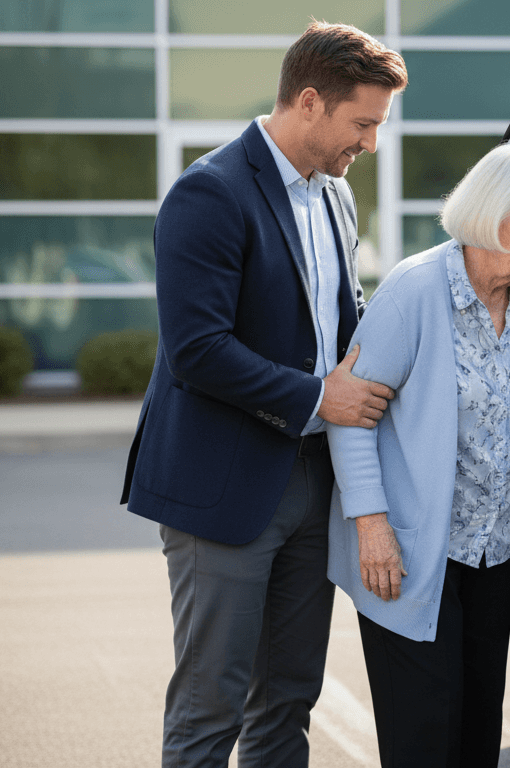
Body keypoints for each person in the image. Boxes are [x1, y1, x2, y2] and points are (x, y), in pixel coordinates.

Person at [120, 22, 407, 768]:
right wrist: (322, 400)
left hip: (315, 486)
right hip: (224, 487)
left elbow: (343, 325)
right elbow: (197, 351)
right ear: (309, 101)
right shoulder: (208, 193)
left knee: (288, 699)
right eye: (364, 124)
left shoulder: (337, 198)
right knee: (212, 703)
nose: (371, 145)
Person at [325, 142, 510, 767]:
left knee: (475, 735)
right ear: (490, 217)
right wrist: (372, 524)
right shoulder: (414, 291)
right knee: (423, 739)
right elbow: (351, 417)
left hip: (492, 551)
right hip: (411, 553)